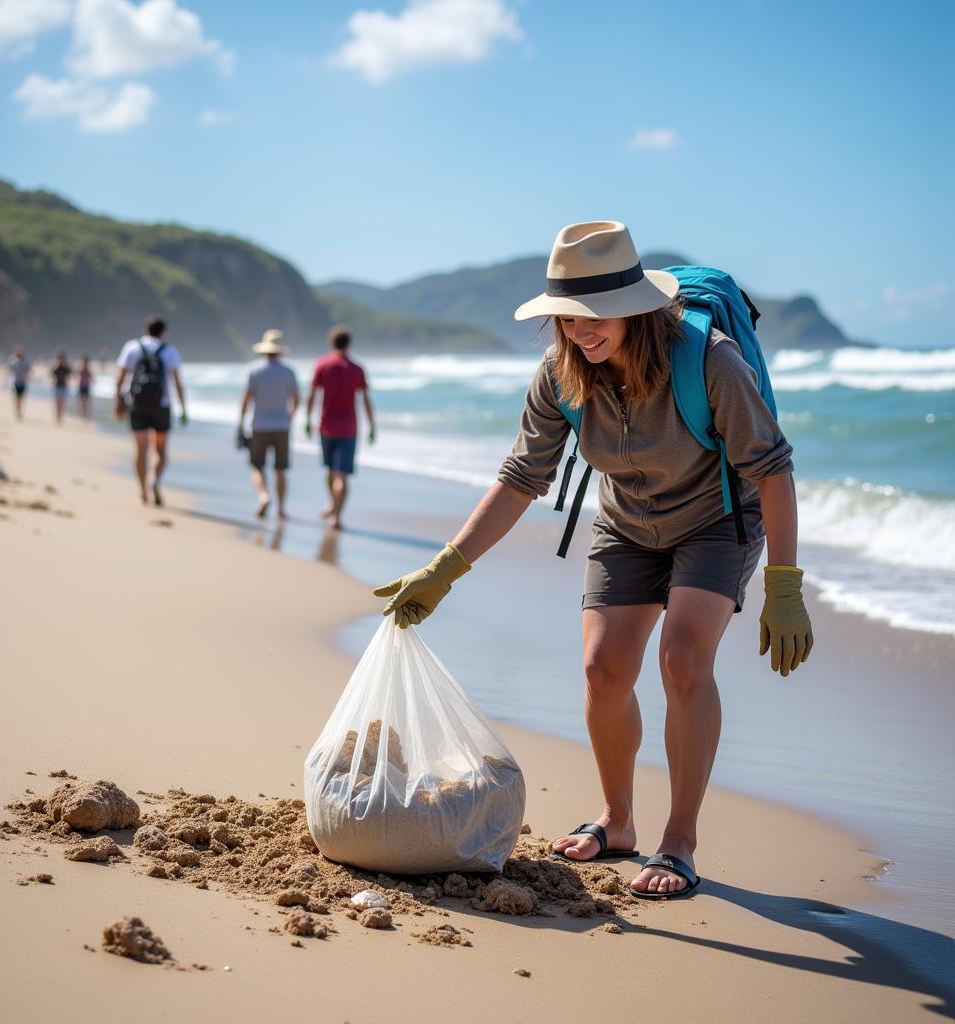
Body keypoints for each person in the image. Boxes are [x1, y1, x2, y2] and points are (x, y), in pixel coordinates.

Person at [373, 221, 814, 900]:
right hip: (628, 523)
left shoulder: (711, 360)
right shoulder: (560, 373)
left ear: (636, 303)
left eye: (594, 314)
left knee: (682, 658)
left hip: (720, 518)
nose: (579, 330)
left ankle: (680, 842)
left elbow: (774, 469)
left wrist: (785, 585)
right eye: (566, 316)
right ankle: (618, 820)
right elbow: (523, 475)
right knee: (602, 668)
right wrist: (445, 568)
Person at [305, 325, 375, 530]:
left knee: (330, 470)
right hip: (349, 428)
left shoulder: (322, 365)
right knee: (341, 474)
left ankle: (333, 507)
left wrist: (307, 419)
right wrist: (372, 425)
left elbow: (312, 395)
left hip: (326, 425)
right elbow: (366, 399)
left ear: (331, 342)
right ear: (349, 343)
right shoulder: (357, 369)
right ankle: (336, 514)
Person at [114, 317, 187, 507]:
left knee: (140, 451)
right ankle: (154, 480)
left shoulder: (132, 347)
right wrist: (184, 408)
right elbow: (178, 383)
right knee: (161, 450)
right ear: (163, 332)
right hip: (161, 405)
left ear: (145, 330)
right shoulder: (169, 351)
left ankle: (142, 492)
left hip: (136, 404)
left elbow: (120, 378)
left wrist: (118, 402)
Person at [238, 330, 299, 521]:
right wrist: (289, 417)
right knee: (280, 469)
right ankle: (281, 509)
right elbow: (296, 400)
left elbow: (246, 400)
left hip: (260, 425)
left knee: (257, 466)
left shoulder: (255, 371)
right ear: (280, 351)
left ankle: (263, 495)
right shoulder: (289, 372)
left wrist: (241, 422)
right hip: (282, 425)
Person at [8, 347, 32, 420]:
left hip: (23, 381)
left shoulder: (25, 360)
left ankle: (20, 411)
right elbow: (10, 369)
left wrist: (28, 376)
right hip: (15, 381)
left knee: (21, 398)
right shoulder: (12, 360)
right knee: (16, 397)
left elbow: (28, 369)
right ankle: (17, 411)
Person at [51, 352, 73, 423]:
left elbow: (70, 374)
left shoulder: (66, 368)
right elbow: (51, 374)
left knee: (63, 403)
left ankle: (61, 417)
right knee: (57, 402)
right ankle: (58, 417)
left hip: (64, 387)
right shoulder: (56, 367)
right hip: (57, 386)